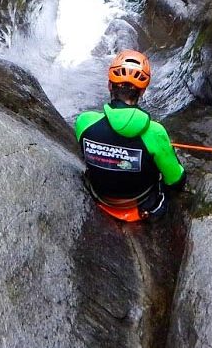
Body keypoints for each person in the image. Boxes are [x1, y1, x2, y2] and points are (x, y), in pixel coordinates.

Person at [75, 49, 185, 222]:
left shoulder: (84, 122)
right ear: (142, 92)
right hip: (141, 206)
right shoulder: (155, 132)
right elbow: (176, 180)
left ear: (110, 85)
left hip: (99, 197)